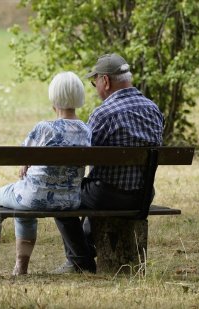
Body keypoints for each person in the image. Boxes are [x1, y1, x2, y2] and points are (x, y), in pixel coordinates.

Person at [52, 53, 165, 274]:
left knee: (59, 196)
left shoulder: (103, 114)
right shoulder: (153, 109)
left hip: (107, 196)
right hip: (142, 195)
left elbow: (81, 156)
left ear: (105, 81)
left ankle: (80, 260)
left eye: (95, 83)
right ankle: (86, 250)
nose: (95, 88)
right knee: (93, 188)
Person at [0, 71, 92, 276]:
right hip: (69, 201)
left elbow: (22, 158)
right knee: (23, 205)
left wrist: (26, 163)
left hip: (34, 197)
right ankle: (20, 268)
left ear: (53, 98)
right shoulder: (86, 130)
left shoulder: (44, 128)